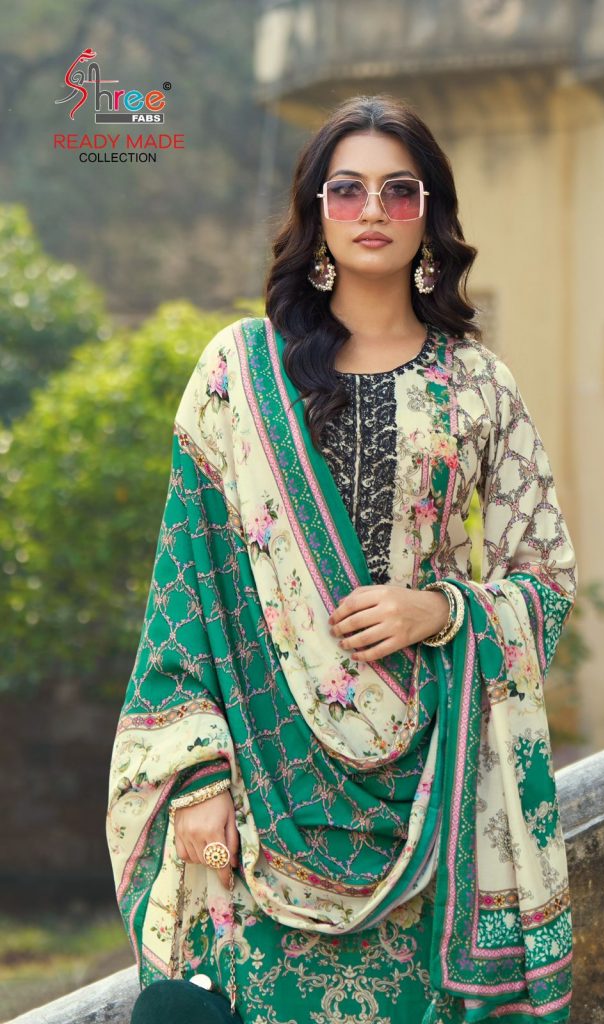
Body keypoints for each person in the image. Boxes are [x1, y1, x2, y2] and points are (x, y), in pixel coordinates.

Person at [107, 94, 577, 1024]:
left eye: (399, 192)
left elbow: (546, 577)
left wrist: (439, 610)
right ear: (315, 212)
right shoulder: (241, 372)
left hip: (434, 789)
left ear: (429, 215)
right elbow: (186, 587)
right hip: (261, 789)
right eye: (348, 190)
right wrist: (196, 775)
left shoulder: (475, 381)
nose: (372, 211)